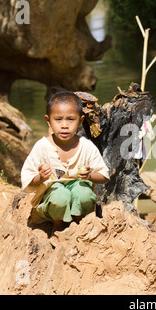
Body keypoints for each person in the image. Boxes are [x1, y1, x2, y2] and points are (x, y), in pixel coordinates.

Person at [21, 91, 109, 247]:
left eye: (71, 119)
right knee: (60, 195)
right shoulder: (42, 147)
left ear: (80, 121)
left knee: (83, 192)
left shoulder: (86, 146)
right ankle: (59, 224)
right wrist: (41, 177)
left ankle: (79, 220)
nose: (64, 125)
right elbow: (28, 179)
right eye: (58, 119)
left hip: (78, 193)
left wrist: (89, 175)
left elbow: (104, 175)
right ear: (48, 121)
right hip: (52, 199)